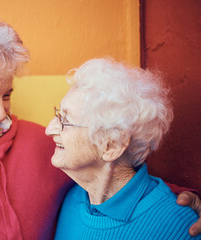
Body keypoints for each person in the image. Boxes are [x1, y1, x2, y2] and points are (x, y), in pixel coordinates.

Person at [0, 12, 201, 239]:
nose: (1, 113)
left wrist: (184, 202)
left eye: (7, 95)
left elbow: (113, 174)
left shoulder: (43, 146)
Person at [45, 58, 201, 239]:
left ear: (112, 146)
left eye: (65, 120)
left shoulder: (180, 227)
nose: (49, 129)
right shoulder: (72, 198)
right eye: (57, 114)